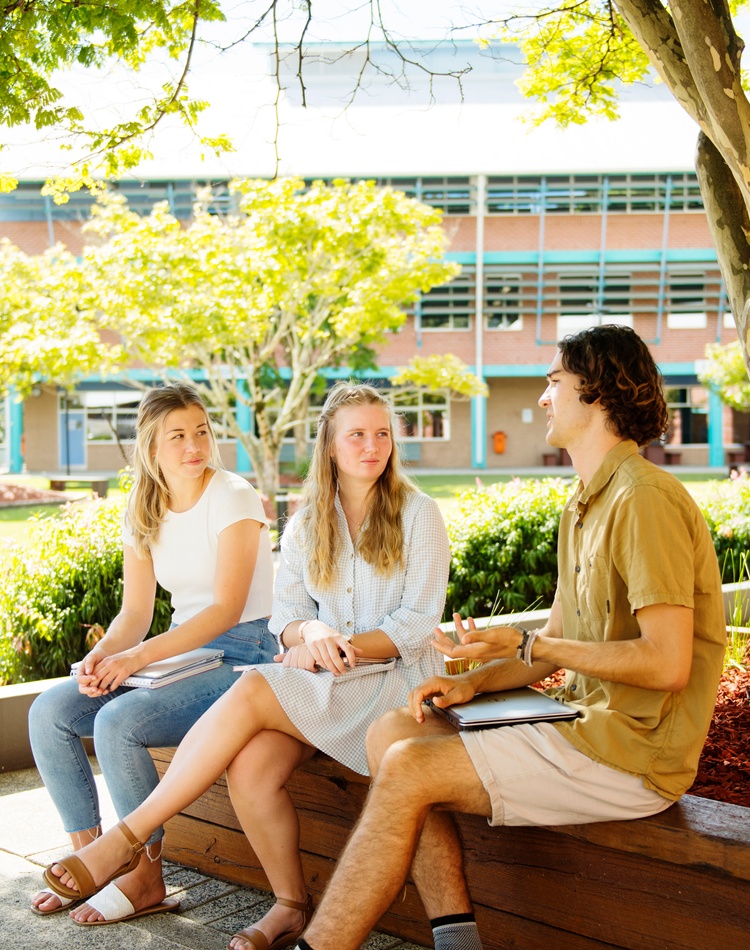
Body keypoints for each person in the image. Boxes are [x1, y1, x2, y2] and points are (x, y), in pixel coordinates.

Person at [294, 324, 727, 950]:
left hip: (635, 752)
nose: (544, 397)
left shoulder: (643, 501)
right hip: (581, 719)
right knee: (392, 729)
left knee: (411, 767)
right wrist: (469, 681)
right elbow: (553, 637)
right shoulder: (583, 502)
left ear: (598, 393)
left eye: (554, 382)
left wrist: (529, 650)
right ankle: (458, 940)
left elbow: (666, 665)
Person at [39, 381, 451, 950]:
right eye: (356, 435)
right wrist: (309, 633)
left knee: (255, 683)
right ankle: (289, 907)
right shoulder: (308, 522)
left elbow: (416, 623)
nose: (371, 447)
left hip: (392, 685)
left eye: (382, 434)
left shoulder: (419, 514)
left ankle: (125, 841)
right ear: (330, 446)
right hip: (326, 681)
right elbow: (289, 613)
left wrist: (334, 644)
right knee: (251, 770)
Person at [29, 381, 277, 925]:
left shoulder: (232, 495)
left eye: (202, 432)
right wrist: (103, 658)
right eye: (178, 436)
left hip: (248, 651)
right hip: (184, 650)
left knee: (120, 720)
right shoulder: (143, 507)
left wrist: (135, 660)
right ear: (150, 445)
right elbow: (135, 615)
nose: (194, 446)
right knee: (50, 711)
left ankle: (146, 873)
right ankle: (89, 857)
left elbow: (227, 610)